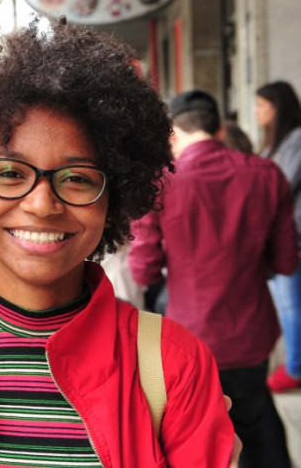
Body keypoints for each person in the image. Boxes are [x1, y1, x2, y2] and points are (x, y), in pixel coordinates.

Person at [0, 19, 236, 467]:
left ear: (114, 200)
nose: (42, 204)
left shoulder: (173, 362)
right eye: (10, 173)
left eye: (78, 178)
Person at [130, 88, 298, 468]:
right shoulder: (266, 174)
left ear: (173, 135)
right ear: (220, 129)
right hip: (250, 331)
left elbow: (143, 268)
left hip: (187, 334)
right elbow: (287, 260)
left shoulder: (162, 183)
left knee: (193, 440)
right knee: (257, 422)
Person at [256, 80, 301, 392]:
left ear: (278, 108)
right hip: (278, 233)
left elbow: (281, 183)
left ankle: (296, 368)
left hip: (293, 235)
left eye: (262, 106)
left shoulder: (295, 140)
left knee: (291, 306)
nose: (257, 112)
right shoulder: (275, 142)